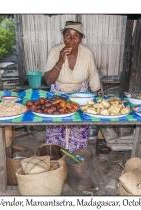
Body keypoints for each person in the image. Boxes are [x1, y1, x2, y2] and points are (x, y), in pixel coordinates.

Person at [43, 21, 101, 153]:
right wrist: (60, 61)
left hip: (80, 96)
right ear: (63, 36)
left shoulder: (87, 53)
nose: (71, 39)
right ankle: (57, 157)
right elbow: (48, 80)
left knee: (78, 129)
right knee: (56, 128)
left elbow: (93, 78)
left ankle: (76, 158)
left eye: (76, 36)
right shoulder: (55, 51)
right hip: (58, 95)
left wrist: (96, 104)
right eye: (68, 35)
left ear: (81, 38)